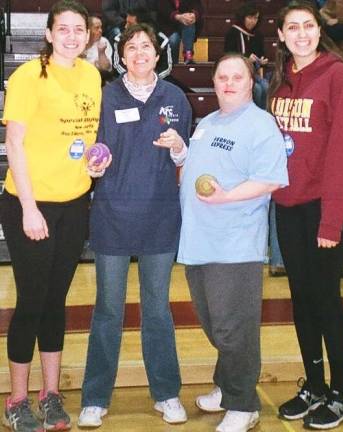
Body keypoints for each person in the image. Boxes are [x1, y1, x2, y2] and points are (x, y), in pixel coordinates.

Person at [78, 23, 192, 429]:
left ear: (157, 55)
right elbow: (95, 147)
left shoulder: (175, 97)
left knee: (157, 310)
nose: (140, 52)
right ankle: (94, 398)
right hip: (112, 216)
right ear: (122, 55)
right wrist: (95, 160)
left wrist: (180, 148)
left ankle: (166, 393)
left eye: (146, 46)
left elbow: (185, 160)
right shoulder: (107, 96)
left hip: (160, 218)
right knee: (108, 310)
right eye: (132, 47)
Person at [0, 1, 106, 431]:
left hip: (74, 204)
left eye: (78, 29)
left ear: (88, 34)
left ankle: (50, 394)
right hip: (30, 205)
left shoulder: (92, 75)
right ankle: (18, 398)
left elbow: (86, 138)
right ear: (48, 34)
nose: (71, 36)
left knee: (57, 302)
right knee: (31, 301)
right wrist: (28, 207)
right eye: (63, 29)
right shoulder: (28, 75)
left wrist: (94, 167)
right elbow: (15, 144)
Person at [177, 53, 288, 432]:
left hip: (234, 243)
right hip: (198, 240)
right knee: (213, 322)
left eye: (236, 76)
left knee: (232, 327)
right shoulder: (207, 122)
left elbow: (271, 179)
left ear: (250, 80)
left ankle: (244, 404)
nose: (227, 82)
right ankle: (226, 387)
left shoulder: (261, 124)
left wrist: (225, 198)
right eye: (222, 76)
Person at [268, 1, 343, 429]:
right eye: (293, 27)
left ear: (318, 31)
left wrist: (332, 221)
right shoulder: (281, 80)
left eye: (309, 26)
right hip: (288, 207)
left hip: (326, 207)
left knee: (326, 300)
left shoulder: (338, 76)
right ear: (282, 36)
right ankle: (315, 386)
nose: (301, 33)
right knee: (302, 300)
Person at [224, 2, 269, 109]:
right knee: (257, 90)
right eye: (250, 18)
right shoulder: (233, 33)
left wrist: (262, 60)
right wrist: (245, 59)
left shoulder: (258, 35)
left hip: (252, 73)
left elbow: (261, 54)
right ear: (243, 17)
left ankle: (263, 115)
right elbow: (228, 56)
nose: (253, 21)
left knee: (266, 87)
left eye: (256, 18)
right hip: (236, 74)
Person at [113, 7, 173, 79]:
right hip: (126, 81)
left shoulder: (162, 40)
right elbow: (117, 65)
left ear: (142, 25)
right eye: (126, 22)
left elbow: (166, 68)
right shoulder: (119, 39)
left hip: (158, 81)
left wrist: (151, 79)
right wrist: (134, 79)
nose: (125, 26)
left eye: (130, 24)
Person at [157, 0, 203, 64]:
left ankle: (188, 55)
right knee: (174, 39)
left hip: (185, 22)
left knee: (189, 23)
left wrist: (193, 15)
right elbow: (162, 9)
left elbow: (198, 6)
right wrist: (177, 17)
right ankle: (173, 63)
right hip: (167, 25)